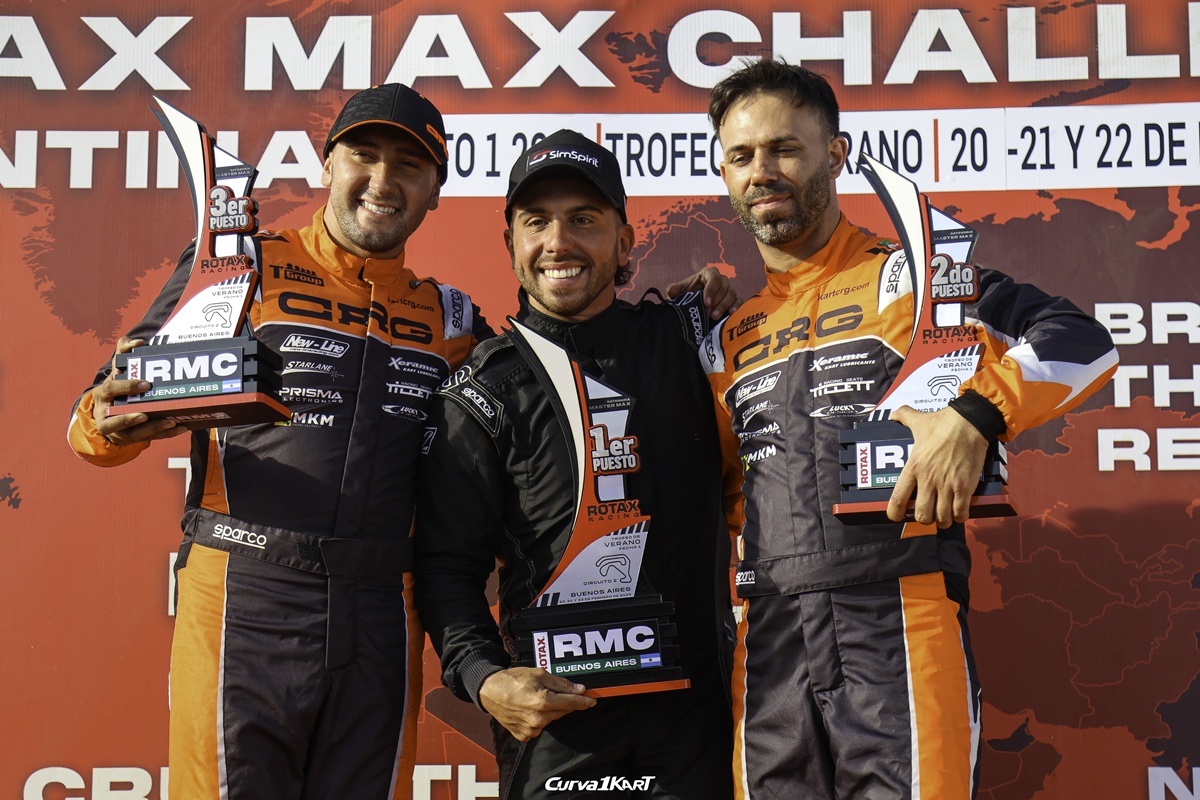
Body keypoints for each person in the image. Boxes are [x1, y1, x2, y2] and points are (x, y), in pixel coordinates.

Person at [700, 60, 1119, 799]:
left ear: (835, 154)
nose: (761, 171)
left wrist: (973, 418)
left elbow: (1082, 343)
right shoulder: (726, 333)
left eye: (785, 149)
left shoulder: (915, 280)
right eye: (742, 156)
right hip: (767, 644)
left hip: (897, 615)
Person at [67, 83, 492, 800]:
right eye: (363, 155)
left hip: (382, 609)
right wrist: (103, 422)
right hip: (245, 589)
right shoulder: (240, 267)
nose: (383, 180)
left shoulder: (450, 317)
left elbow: (529, 418)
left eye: (409, 165)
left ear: (435, 190)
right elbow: (105, 408)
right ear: (327, 165)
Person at [414, 129, 737, 799]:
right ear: (510, 244)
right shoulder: (479, 392)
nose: (558, 241)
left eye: (584, 219)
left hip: (696, 727)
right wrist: (484, 678)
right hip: (557, 726)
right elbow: (447, 568)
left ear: (625, 243)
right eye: (537, 222)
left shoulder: (690, 343)